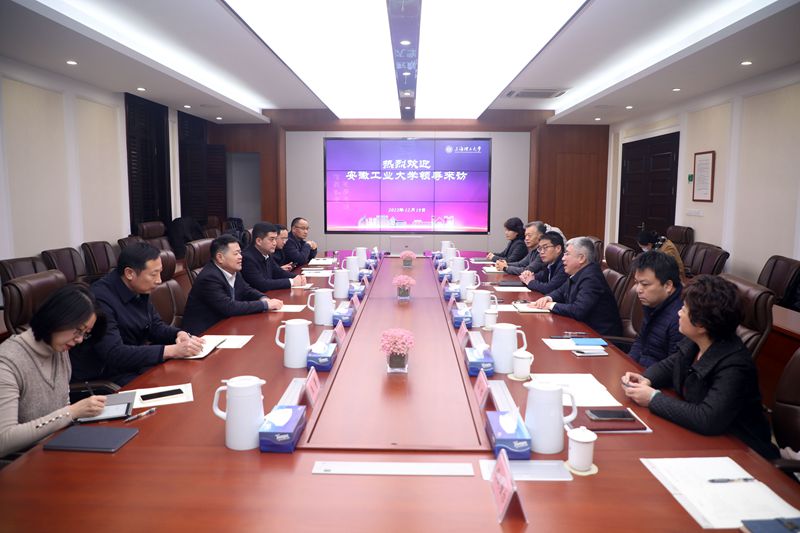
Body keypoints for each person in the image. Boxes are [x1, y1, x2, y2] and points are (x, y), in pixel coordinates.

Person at [622, 275, 778, 459]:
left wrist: (653, 398)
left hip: (742, 452)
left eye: (684, 309)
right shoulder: (696, 342)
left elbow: (707, 418)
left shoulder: (736, 365)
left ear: (701, 324)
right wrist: (646, 378)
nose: (678, 313)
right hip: (701, 440)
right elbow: (670, 365)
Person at [70, 243, 204, 386]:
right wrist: (171, 350)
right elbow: (114, 353)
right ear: (129, 273)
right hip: (106, 378)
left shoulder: (138, 288)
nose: (159, 280)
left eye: (160, 272)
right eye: (153, 274)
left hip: (134, 367)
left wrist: (178, 334)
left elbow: (155, 326)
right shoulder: (100, 298)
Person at [0, 285, 108, 457]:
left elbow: (62, 405)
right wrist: (72, 412)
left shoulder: (59, 348)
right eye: (78, 331)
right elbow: (4, 441)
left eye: (85, 333)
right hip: (24, 462)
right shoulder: (7, 362)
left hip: (58, 447)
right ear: (57, 318)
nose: (80, 340)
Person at [182, 234, 283, 335]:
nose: (240, 257)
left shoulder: (233, 270)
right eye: (236, 254)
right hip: (204, 333)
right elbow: (228, 307)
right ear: (220, 257)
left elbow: (246, 290)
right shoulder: (209, 278)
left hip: (227, 325)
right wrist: (264, 305)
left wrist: (263, 298)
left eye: (240, 253)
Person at [531, 236, 622, 336]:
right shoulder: (579, 272)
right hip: (582, 329)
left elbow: (578, 310)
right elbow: (561, 291)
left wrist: (551, 305)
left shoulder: (591, 278)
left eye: (567, 254)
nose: (563, 258)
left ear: (581, 258)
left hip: (599, 337)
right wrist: (548, 298)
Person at [627, 251, 684, 368]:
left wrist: (643, 376)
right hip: (640, 372)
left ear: (668, 286)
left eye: (645, 284)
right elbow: (640, 342)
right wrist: (627, 365)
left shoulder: (680, 317)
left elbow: (673, 367)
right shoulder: (653, 303)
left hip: (653, 377)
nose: (638, 290)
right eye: (637, 283)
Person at [241, 222, 307, 292]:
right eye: (271, 239)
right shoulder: (247, 258)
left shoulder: (267, 254)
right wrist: (291, 282)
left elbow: (278, 272)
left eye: (275, 239)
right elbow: (261, 284)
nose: (275, 243)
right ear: (259, 241)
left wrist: (297, 277)